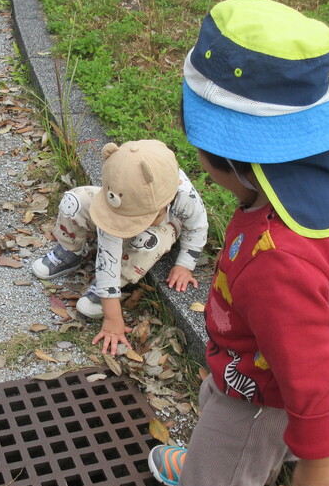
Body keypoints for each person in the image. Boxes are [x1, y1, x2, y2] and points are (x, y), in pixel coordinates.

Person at [147, 0, 329, 486]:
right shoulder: (300, 191)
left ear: (231, 159)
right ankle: (214, 456)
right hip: (244, 367)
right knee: (213, 402)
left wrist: (320, 458)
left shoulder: (278, 264)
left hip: (269, 388)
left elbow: (306, 371)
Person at [31, 140, 208, 356]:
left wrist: (185, 264)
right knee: (75, 200)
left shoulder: (185, 197)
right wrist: (113, 316)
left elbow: (197, 228)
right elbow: (108, 256)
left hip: (164, 226)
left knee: (146, 242)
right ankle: (72, 251)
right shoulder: (121, 185)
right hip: (122, 205)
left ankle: (119, 279)